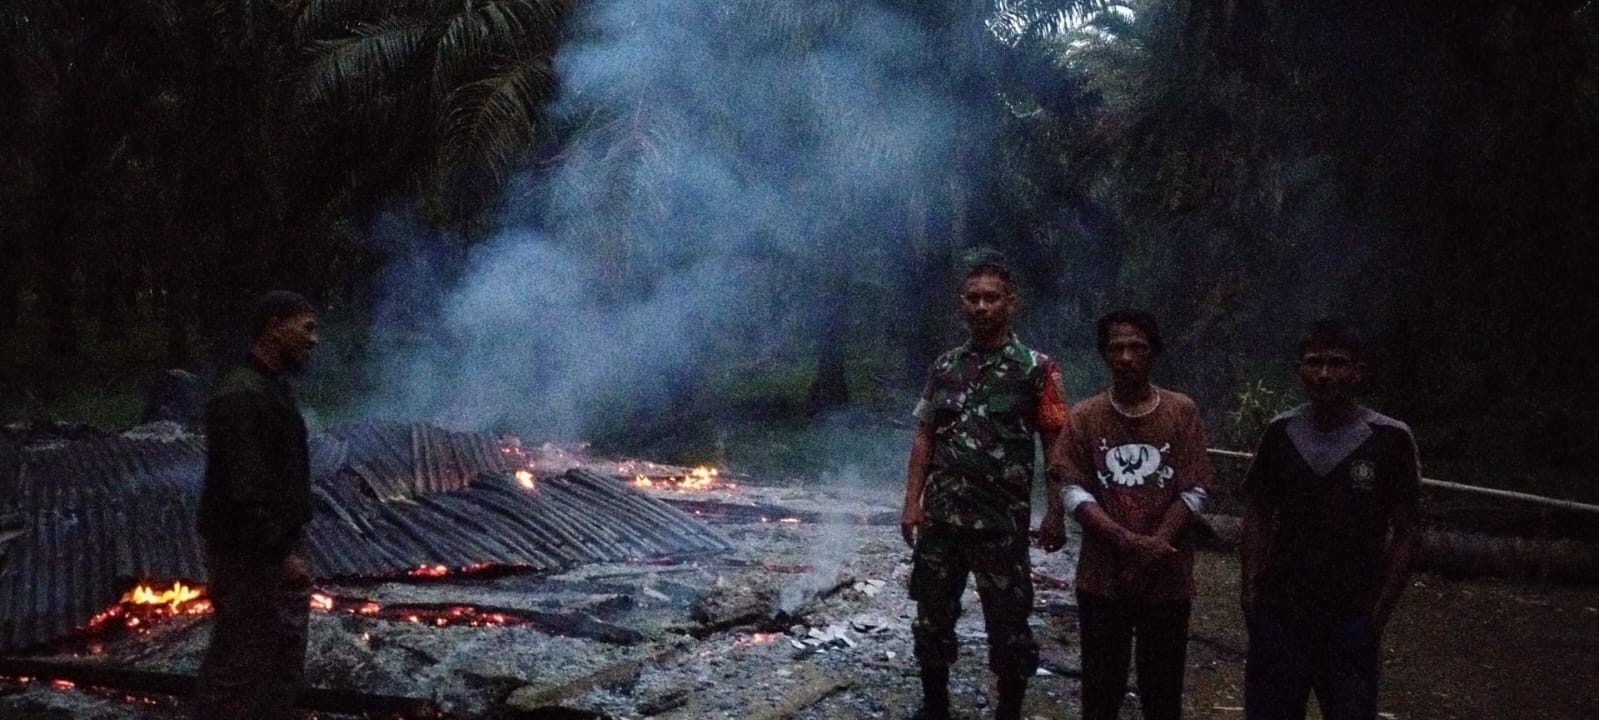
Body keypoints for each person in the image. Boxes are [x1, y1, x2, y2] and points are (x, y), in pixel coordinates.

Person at [901, 263, 1070, 720]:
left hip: (1001, 523)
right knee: (932, 619)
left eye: (991, 297)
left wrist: (1055, 511)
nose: (981, 306)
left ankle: (1009, 712)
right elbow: (924, 434)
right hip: (942, 520)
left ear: (1010, 304)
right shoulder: (945, 366)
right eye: (972, 297)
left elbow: (1055, 441)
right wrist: (911, 502)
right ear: (962, 304)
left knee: (1010, 626)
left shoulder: (1036, 370)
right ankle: (934, 707)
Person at [1240, 319, 1420, 720]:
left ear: (1358, 371)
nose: (1324, 374)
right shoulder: (1281, 433)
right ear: (1299, 370)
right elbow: (1258, 511)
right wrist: (1250, 589)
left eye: (1336, 363)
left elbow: (1408, 529)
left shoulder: (1389, 439)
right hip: (1282, 609)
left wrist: (1379, 610)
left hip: (1351, 614)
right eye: (1314, 362)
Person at [1048, 310, 1211, 720]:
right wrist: (1126, 542)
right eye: (1116, 347)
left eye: (1136, 346)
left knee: (1163, 691)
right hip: (1103, 578)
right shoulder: (1085, 416)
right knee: (1101, 693)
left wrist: (1156, 545)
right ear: (1104, 354)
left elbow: (1195, 488)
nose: (1125, 356)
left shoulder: (1181, 411)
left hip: (1167, 578)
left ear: (1153, 352)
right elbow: (1072, 488)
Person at [193, 290, 319, 720]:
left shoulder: (270, 389)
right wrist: (281, 553)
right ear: (273, 327)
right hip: (249, 557)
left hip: (270, 551)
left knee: (277, 667)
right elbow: (244, 490)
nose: (314, 340)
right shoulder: (242, 396)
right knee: (240, 669)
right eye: (306, 328)